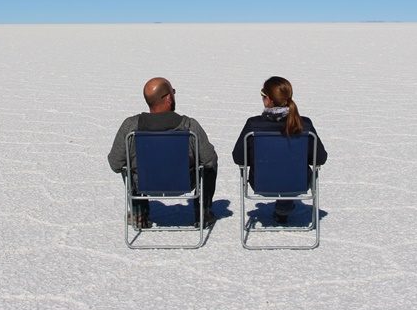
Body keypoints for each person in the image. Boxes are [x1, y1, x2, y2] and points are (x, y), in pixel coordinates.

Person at [108, 77, 218, 229]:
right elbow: (210, 160)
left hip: (143, 184)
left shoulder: (131, 126)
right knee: (209, 162)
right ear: (168, 98)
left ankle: (139, 215)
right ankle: (203, 212)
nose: (173, 95)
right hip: (185, 182)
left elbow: (115, 163)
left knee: (126, 163)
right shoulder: (189, 126)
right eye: (173, 92)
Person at [232, 76, 327, 224]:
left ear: (268, 100)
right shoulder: (304, 125)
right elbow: (320, 158)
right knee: (289, 168)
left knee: (277, 167)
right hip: (299, 181)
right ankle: (284, 208)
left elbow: (238, 158)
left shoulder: (254, 125)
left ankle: (282, 208)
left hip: (261, 182)